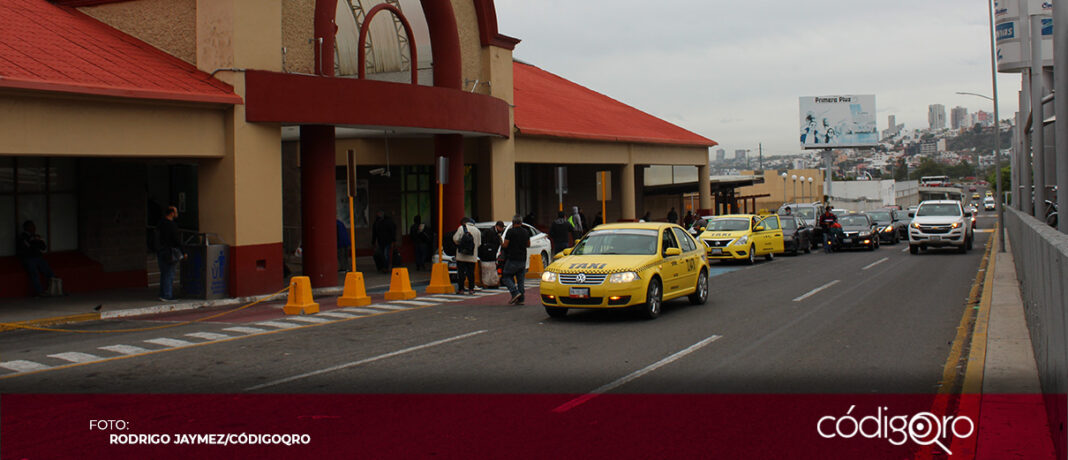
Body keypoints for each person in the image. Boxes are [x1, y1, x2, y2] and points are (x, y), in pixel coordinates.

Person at [17, 220, 55, 297]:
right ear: (26, 227)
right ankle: (40, 292)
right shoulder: (23, 237)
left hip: (38, 257)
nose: (34, 228)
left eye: (34, 226)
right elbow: (29, 247)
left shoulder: (36, 236)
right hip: (29, 258)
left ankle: (54, 289)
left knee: (49, 272)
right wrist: (35, 242)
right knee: (34, 274)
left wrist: (36, 241)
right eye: (31, 226)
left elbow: (43, 247)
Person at [500, 215, 531, 305]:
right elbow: (528, 244)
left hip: (512, 258)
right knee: (520, 280)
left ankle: (514, 292)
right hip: (522, 259)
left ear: (513, 222)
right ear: (521, 222)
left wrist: (501, 243)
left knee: (506, 276)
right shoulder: (525, 232)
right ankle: (521, 299)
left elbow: (505, 245)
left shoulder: (510, 232)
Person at [156, 206, 185, 301]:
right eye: (176, 212)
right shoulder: (172, 225)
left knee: (164, 273)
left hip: (161, 250)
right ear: (172, 213)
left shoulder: (160, 224)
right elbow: (176, 239)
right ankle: (167, 295)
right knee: (169, 273)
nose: (177, 214)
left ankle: (163, 293)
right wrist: (183, 251)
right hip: (170, 251)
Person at [452, 217, 481, 295]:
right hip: (472, 256)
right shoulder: (477, 231)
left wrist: (460, 244)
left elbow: (455, 239)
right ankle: (471, 289)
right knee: (471, 273)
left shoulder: (461, 228)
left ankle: (461, 289)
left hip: (461, 256)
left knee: (461, 273)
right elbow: (479, 244)